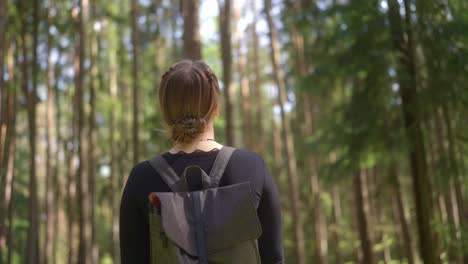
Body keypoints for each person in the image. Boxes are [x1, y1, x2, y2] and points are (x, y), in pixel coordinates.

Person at [119, 60, 284, 263]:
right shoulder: (252, 167)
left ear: (166, 113)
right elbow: (274, 258)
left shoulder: (141, 178)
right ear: (215, 108)